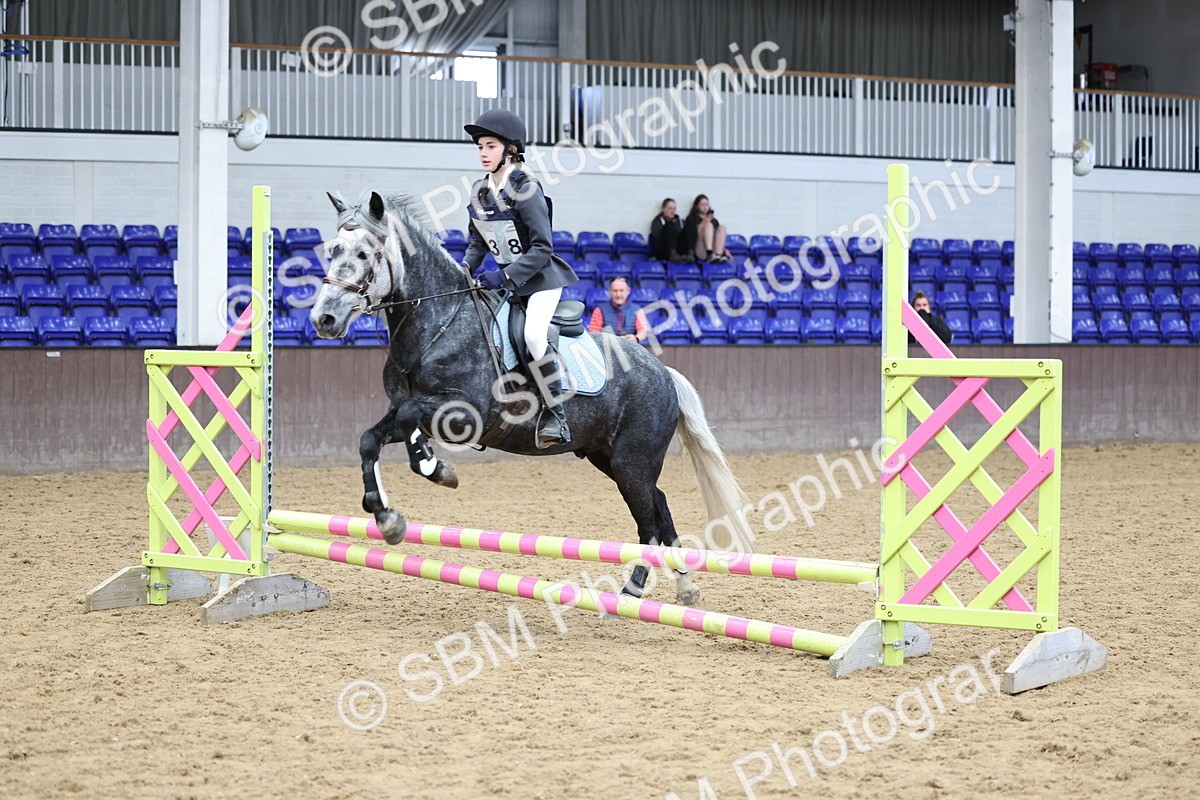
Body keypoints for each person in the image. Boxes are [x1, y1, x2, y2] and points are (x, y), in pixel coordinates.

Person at [462, 108, 578, 448]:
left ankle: (558, 414)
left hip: (541, 282)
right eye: (480, 146)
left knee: (533, 337)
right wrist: (465, 271)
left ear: (510, 150)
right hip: (509, 286)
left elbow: (543, 247)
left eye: (490, 146)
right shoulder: (479, 191)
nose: (482, 152)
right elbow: (476, 241)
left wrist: (505, 276)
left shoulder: (526, 188)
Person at [588, 277, 648, 341]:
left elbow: (643, 331)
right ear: (609, 291)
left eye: (621, 290)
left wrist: (636, 338)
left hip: (630, 347)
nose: (618, 295)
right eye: (615, 291)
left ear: (628, 291)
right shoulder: (599, 310)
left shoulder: (637, 310)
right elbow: (593, 333)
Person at [682, 194, 731, 263]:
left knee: (722, 228)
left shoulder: (714, 220)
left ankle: (718, 255)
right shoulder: (691, 218)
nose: (705, 207)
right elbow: (692, 236)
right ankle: (709, 254)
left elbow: (718, 237)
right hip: (700, 248)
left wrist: (725, 249)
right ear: (697, 206)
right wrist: (705, 222)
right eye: (702, 205)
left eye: (707, 204)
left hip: (714, 248)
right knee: (708, 226)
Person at [649, 198, 691, 262]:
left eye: (674, 209)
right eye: (670, 208)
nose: (673, 211)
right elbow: (658, 237)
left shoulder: (680, 222)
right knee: (669, 225)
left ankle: (691, 253)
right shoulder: (657, 222)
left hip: (679, 250)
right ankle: (672, 254)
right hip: (664, 250)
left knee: (690, 226)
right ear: (663, 209)